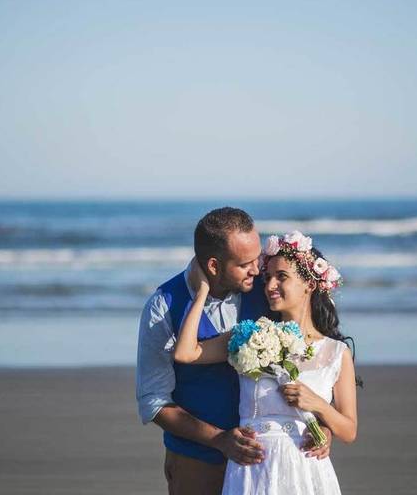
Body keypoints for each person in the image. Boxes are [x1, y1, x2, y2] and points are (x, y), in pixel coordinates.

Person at [136, 208, 331, 495]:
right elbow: (154, 403)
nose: (257, 269)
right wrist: (218, 439)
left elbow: (311, 353)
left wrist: (324, 426)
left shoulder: (267, 289)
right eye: (245, 264)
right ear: (214, 266)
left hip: (267, 466)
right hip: (197, 464)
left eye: (257, 259)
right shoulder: (163, 306)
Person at [174, 230, 358, 495]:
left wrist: (317, 405)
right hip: (252, 469)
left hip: (306, 468)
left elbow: (349, 430)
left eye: (281, 276)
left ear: (309, 284)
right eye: (267, 277)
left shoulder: (336, 352)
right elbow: (185, 353)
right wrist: (201, 292)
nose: (270, 285)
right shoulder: (249, 336)